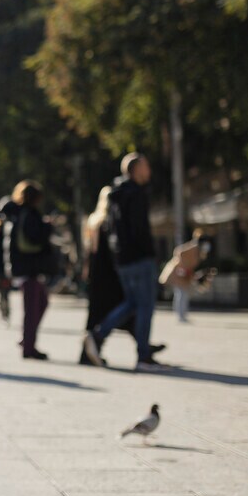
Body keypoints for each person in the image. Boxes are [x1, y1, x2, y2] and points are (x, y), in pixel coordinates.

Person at [84, 153, 162, 370]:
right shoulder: (136, 194)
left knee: (131, 303)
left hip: (122, 259)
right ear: (136, 170)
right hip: (138, 257)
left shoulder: (115, 194)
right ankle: (143, 356)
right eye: (146, 166)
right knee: (145, 306)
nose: (149, 171)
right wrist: (150, 253)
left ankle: (98, 336)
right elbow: (139, 230)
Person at [80, 187, 134, 363]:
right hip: (108, 272)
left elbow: (89, 250)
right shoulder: (108, 221)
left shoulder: (93, 220)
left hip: (96, 271)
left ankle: (87, 353)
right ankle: (142, 344)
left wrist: (86, 271)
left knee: (96, 313)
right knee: (126, 306)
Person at [2, 181, 53, 360]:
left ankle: (27, 340)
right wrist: (47, 226)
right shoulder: (29, 214)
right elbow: (35, 238)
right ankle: (28, 348)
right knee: (31, 308)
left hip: (22, 267)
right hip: (29, 267)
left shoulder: (16, 214)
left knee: (41, 302)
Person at [163, 229, 211, 323]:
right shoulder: (193, 247)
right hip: (179, 273)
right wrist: (183, 266)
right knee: (181, 294)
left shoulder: (198, 251)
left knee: (183, 294)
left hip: (184, 275)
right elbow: (179, 252)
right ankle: (180, 316)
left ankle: (182, 315)